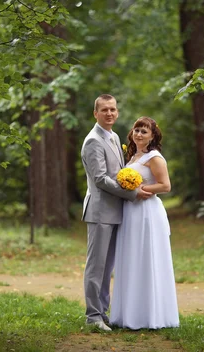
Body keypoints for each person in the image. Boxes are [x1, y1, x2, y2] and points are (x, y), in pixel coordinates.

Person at [80, 95, 153, 332]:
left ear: (117, 112)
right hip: (100, 211)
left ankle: (103, 312)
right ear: (96, 113)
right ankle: (93, 316)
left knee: (107, 266)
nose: (109, 113)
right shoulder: (93, 141)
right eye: (104, 110)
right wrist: (132, 193)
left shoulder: (114, 136)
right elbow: (100, 179)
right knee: (96, 266)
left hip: (115, 211)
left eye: (113, 109)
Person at [110, 116, 180, 330]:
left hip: (147, 214)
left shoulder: (154, 157)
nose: (139, 134)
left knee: (146, 259)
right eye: (137, 130)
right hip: (130, 212)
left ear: (152, 136)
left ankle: (151, 316)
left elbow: (165, 186)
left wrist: (141, 190)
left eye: (144, 131)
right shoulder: (132, 157)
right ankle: (128, 314)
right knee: (131, 258)